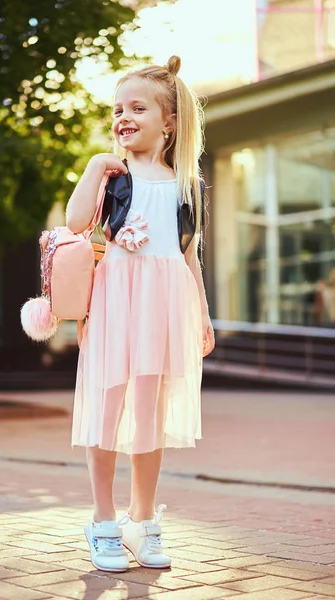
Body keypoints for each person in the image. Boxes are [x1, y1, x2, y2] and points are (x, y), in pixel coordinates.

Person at [65, 55, 215, 573]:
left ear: (169, 121)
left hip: (166, 303)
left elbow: (189, 255)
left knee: (149, 415)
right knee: (107, 410)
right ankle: (103, 522)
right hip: (115, 301)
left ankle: (142, 520)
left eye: (137, 108)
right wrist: (93, 167)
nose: (123, 117)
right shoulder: (113, 174)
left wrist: (203, 317)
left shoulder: (187, 185)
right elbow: (76, 221)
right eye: (117, 109)